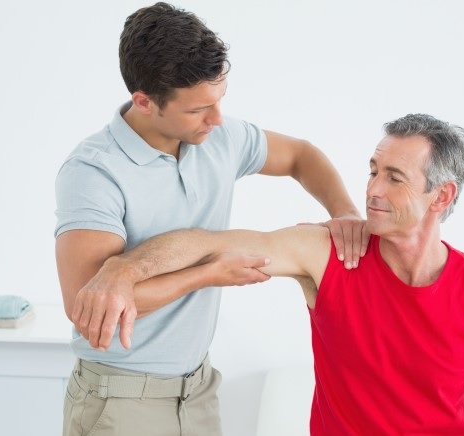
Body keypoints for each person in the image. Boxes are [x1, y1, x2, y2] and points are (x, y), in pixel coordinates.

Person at [79, 114, 464, 435]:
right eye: (373, 170)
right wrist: (124, 267)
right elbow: (210, 243)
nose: (373, 189)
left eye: (395, 178)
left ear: (441, 196)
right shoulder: (328, 253)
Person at [54, 3, 367, 436]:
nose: (216, 119)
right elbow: (88, 309)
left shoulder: (217, 135)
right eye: (198, 109)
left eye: (219, 100)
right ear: (144, 102)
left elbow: (301, 155)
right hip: (120, 400)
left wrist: (346, 212)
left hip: (198, 390)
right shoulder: (94, 172)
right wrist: (207, 274)